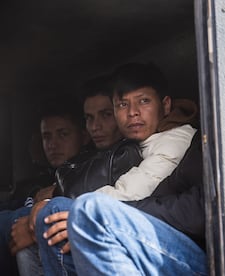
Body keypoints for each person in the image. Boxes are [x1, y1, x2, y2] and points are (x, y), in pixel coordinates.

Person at [34, 62, 200, 275]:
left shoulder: (175, 139)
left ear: (165, 106)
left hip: (181, 243)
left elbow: (131, 192)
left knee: (58, 211)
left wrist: (81, 213)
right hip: (152, 228)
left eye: (144, 101)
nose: (133, 113)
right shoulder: (137, 143)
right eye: (122, 105)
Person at [0, 95, 90, 276]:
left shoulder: (87, 174)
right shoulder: (36, 181)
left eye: (63, 134)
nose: (53, 144)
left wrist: (32, 225)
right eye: (46, 136)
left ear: (84, 136)